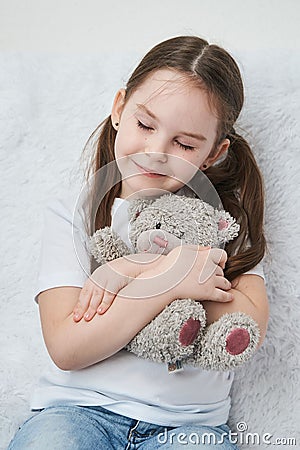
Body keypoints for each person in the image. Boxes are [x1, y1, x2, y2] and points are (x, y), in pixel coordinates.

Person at [8, 35, 269, 449]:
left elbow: (248, 324)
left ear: (214, 154)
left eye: (184, 143)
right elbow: (67, 347)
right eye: (145, 125)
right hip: (77, 413)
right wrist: (168, 273)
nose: (155, 151)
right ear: (118, 109)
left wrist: (132, 274)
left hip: (191, 428)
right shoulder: (75, 215)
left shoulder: (224, 225)